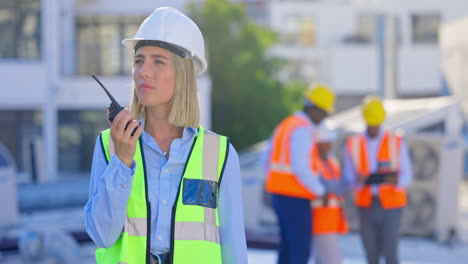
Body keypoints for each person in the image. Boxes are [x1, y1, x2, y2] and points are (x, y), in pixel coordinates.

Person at [84, 7, 247, 264]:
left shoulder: (221, 154)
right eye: (139, 60)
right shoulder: (109, 145)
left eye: (158, 61)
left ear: (184, 74)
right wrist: (122, 162)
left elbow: (234, 249)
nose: (143, 72)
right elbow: (102, 236)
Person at [264, 83, 337, 264]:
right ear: (315, 109)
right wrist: (321, 191)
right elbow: (301, 168)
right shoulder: (303, 129)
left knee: (286, 250)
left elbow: (265, 160)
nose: (325, 117)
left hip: (279, 195)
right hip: (295, 197)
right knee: (300, 252)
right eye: (325, 112)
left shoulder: (286, 125)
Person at [343, 96, 413, 264]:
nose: (373, 128)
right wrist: (357, 181)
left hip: (392, 206)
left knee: (390, 255)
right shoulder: (353, 143)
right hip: (366, 205)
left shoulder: (395, 141)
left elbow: (407, 176)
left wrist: (396, 181)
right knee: (371, 256)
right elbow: (347, 177)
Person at [310, 123, 348, 264]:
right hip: (320, 221)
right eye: (327, 142)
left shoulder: (332, 162)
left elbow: (339, 187)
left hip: (332, 221)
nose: (330, 145)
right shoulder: (313, 163)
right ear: (319, 143)